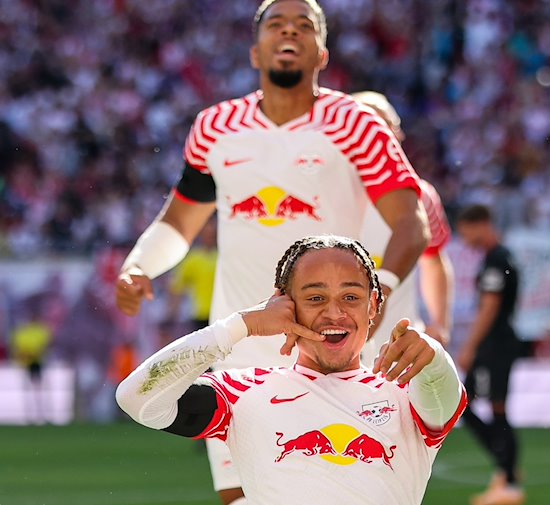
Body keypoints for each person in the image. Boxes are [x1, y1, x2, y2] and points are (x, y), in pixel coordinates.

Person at [114, 2, 430, 503]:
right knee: (239, 495)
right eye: (276, 26)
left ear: (321, 52)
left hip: (329, 347)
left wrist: (383, 290)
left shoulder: (356, 124)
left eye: (304, 27)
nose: (290, 33)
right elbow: (180, 219)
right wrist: (140, 266)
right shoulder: (215, 127)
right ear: (255, 50)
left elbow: (411, 223)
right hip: (241, 344)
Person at [117, 235, 467, 505]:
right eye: (315, 298)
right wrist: (242, 325)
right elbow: (136, 397)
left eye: (351, 297)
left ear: (374, 305)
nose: (334, 313)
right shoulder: (244, 393)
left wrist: (433, 353)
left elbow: (445, 392)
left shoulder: (404, 392)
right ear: (285, 305)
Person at [351, 91, 455, 361]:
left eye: (386, 127)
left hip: (397, 351)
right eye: (367, 127)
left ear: (398, 136)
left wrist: (440, 324)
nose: (377, 137)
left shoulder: (421, 196)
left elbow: (434, 261)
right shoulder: (321, 193)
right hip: (331, 353)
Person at [455, 204, 525, 505]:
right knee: (476, 407)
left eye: (466, 231)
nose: (465, 239)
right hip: (498, 342)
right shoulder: (500, 257)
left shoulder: (496, 259)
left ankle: (508, 480)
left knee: (482, 407)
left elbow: (490, 307)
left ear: (481, 224)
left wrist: (470, 345)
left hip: (495, 344)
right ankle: (505, 469)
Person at [169, 219, 217, 333]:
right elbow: (177, 287)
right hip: (199, 313)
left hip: (219, 311)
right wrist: (173, 313)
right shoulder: (193, 259)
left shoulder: (222, 257)